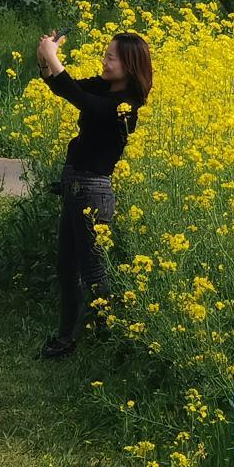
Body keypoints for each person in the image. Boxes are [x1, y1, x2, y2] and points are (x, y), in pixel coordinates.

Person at [35, 30, 153, 359]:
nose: (104, 60)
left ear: (129, 65)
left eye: (110, 56)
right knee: (67, 267)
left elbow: (82, 100)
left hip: (92, 192)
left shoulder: (126, 106)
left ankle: (108, 341)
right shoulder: (105, 88)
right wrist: (45, 58)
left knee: (95, 271)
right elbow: (64, 88)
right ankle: (66, 339)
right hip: (76, 187)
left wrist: (55, 59)